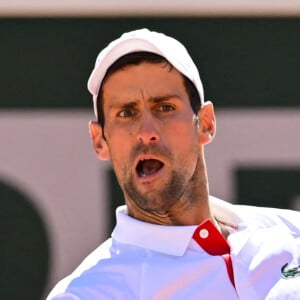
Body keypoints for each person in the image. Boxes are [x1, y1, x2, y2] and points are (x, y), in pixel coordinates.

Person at [47, 28, 300, 299]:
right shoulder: (86, 294)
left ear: (205, 123)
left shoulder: (292, 232)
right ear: (100, 141)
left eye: (164, 107)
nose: (146, 131)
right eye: (126, 113)